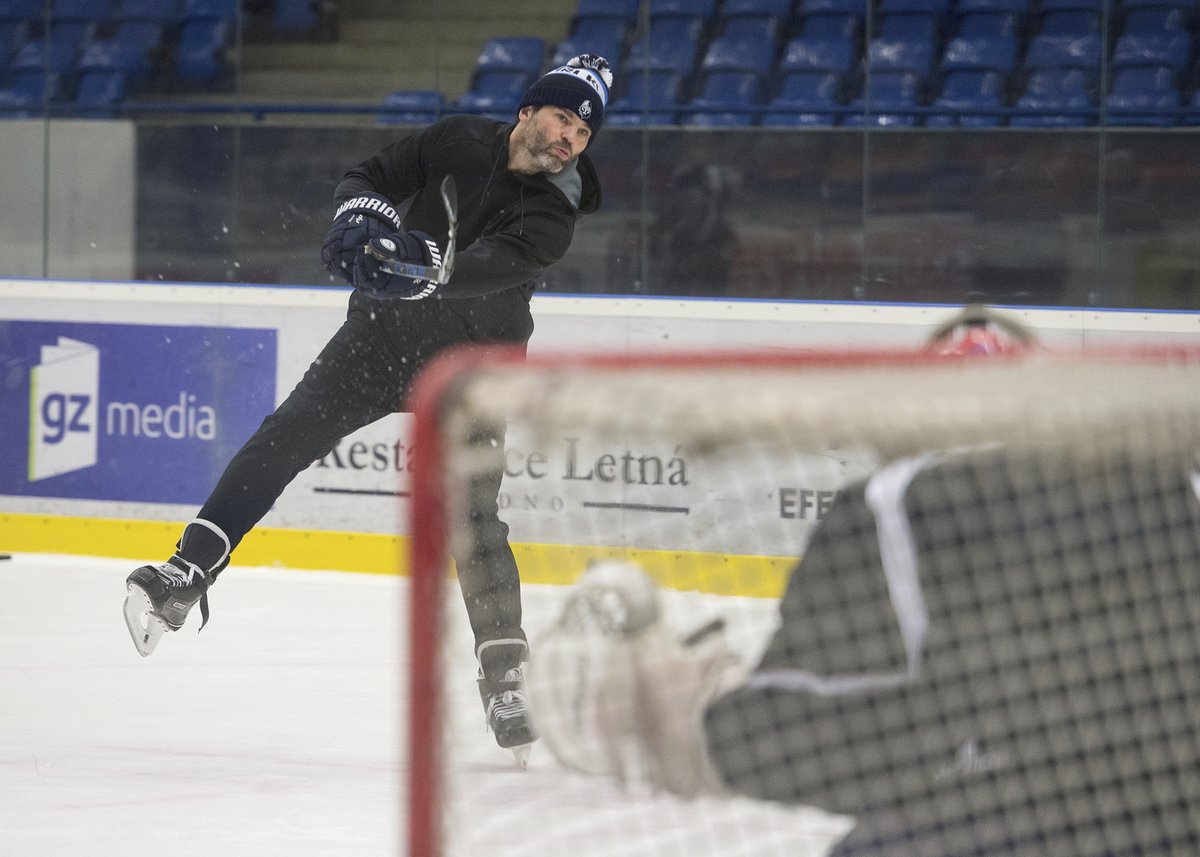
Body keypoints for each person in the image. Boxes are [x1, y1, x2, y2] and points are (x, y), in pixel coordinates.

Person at [122, 54, 613, 762]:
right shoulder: (456, 140)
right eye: (563, 118)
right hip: (379, 342)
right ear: (529, 111)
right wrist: (361, 217)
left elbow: (479, 271)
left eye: (583, 133)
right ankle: (184, 573)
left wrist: (413, 263)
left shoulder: (557, 209)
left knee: (474, 517)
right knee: (283, 436)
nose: (570, 139)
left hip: (472, 368)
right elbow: (372, 177)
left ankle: (505, 673)